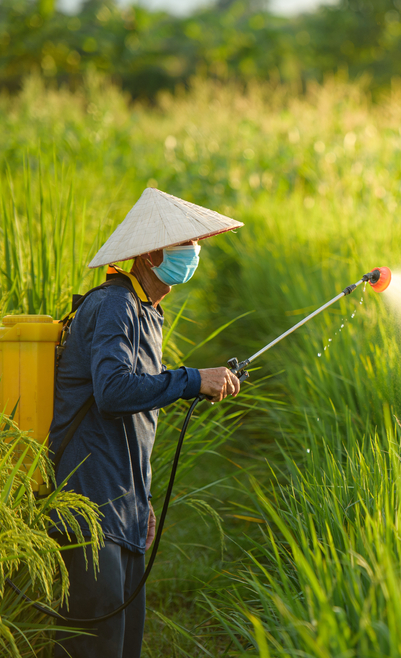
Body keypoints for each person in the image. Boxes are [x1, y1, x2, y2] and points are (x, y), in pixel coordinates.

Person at [48, 188, 244, 658]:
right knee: (95, 644)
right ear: (152, 253)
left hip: (122, 505)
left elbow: (131, 420)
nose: (195, 253)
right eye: (187, 244)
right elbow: (114, 392)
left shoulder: (148, 310)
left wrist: (142, 499)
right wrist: (192, 380)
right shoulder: (115, 304)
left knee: (123, 641)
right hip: (87, 501)